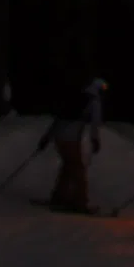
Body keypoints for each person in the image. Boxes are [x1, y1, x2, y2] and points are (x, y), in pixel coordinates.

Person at [45, 78, 106, 212]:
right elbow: (95, 123)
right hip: (71, 138)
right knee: (78, 169)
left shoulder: (76, 97)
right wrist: (95, 139)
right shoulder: (94, 101)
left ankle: (59, 196)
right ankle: (79, 202)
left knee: (68, 165)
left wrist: (47, 137)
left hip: (59, 136)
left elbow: (59, 118)